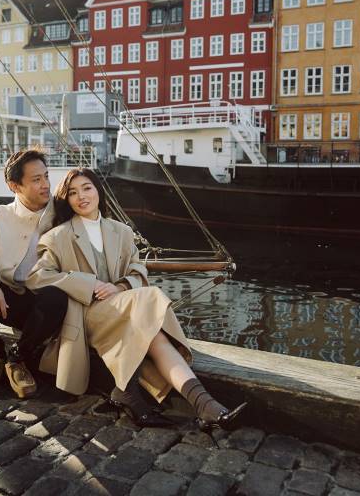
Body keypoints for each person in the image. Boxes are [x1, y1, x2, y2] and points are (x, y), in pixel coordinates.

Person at [27, 168, 246, 429]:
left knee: (156, 336)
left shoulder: (121, 231)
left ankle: (206, 406)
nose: (81, 196)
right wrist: (89, 284)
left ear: (98, 190)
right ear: (67, 200)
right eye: (73, 193)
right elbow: (37, 277)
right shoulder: (58, 236)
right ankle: (134, 393)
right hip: (86, 314)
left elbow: (138, 269)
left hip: (125, 309)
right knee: (151, 297)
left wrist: (120, 286)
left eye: (87, 188)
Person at [0, 148, 68, 399]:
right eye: (36, 180)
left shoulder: (62, 213)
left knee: (56, 296)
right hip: (7, 301)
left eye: (46, 176)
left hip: (44, 308)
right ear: (14, 186)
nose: (45, 185)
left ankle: (18, 357)